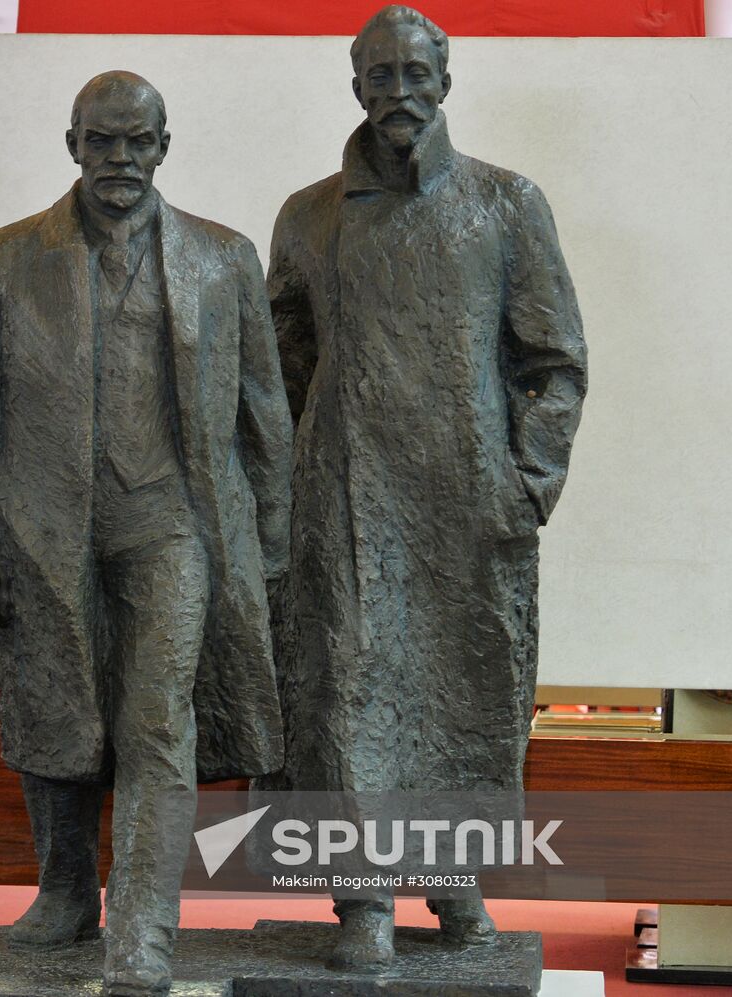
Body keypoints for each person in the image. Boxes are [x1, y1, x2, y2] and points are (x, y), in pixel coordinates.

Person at [0, 71, 291, 996]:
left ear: (164, 146)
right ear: (73, 145)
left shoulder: (224, 257)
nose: (120, 159)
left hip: (172, 522)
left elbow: (264, 417)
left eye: (137, 141)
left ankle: (143, 925)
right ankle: (64, 890)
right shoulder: (6, 258)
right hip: (43, 523)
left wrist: (269, 547)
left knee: (158, 718)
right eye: (102, 142)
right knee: (56, 704)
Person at [264, 5, 588, 969]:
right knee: (347, 694)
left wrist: (529, 480)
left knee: (472, 689)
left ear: (445, 80)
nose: (399, 93)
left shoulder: (507, 204)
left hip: (471, 505)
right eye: (381, 75)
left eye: (416, 72)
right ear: (355, 84)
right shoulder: (307, 215)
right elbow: (281, 372)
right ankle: (360, 897)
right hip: (345, 502)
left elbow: (553, 362)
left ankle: (454, 878)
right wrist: (283, 498)